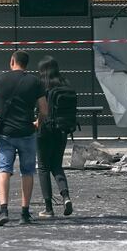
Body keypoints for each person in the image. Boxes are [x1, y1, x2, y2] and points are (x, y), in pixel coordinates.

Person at [0, 50, 47, 226]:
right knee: (27, 172)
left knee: (4, 170)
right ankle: (24, 213)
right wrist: (37, 123)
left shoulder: (0, 79)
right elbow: (44, 110)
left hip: (5, 134)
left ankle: (3, 211)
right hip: (27, 132)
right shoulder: (35, 81)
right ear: (26, 64)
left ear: (12, 61)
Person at [36, 56, 74, 218]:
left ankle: (48, 208)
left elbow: (38, 109)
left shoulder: (41, 86)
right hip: (62, 129)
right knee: (57, 165)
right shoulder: (65, 84)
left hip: (45, 130)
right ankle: (66, 197)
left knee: (43, 167)